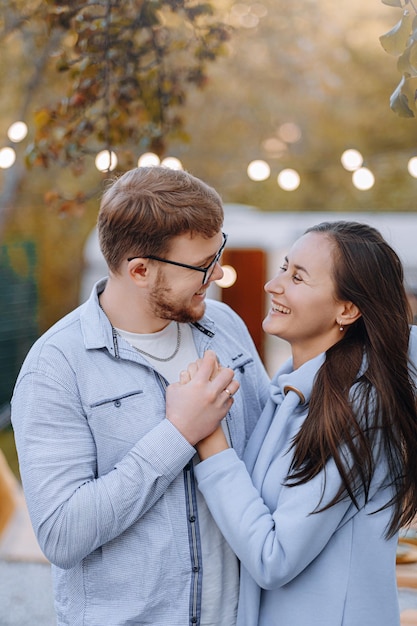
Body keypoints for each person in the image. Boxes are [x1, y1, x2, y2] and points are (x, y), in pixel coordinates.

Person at [11, 166, 270, 626]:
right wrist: (178, 434)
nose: (216, 273)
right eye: (200, 266)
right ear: (140, 269)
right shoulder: (57, 366)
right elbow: (62, 535)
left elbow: (268, 455)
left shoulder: (225, 327)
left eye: (218, 254)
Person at [169, 221, 417, 626]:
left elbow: (274, 558)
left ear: (347, 309)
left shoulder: (358, 409)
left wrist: (210, 441)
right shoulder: (290, 392)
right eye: (284, 267)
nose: (273, 285)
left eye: (297, 277)